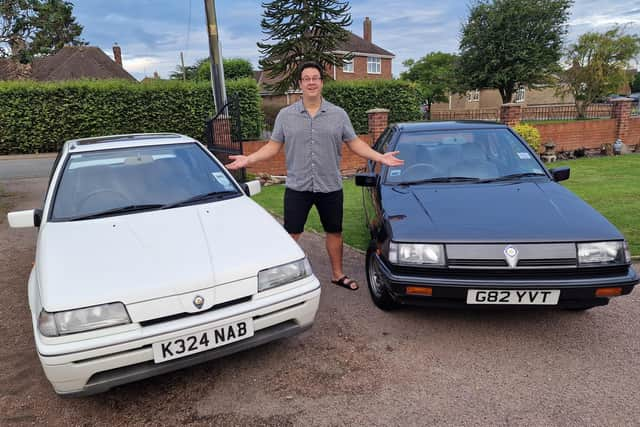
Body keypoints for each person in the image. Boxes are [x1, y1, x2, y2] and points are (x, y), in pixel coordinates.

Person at [226, 61, 403, 291]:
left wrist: (380, 158)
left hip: (330, 186)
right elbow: (272, 146)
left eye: (315, 78)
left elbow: (355, 143)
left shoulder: (338, 115)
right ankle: (284, 277)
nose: (311, 82)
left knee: (334, 231)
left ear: (321, 82)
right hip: (298, 186)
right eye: (306, 78)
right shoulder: (285, 115)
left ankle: (338, 274)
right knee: (292, 233)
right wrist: (248, 159)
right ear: (300, 83)